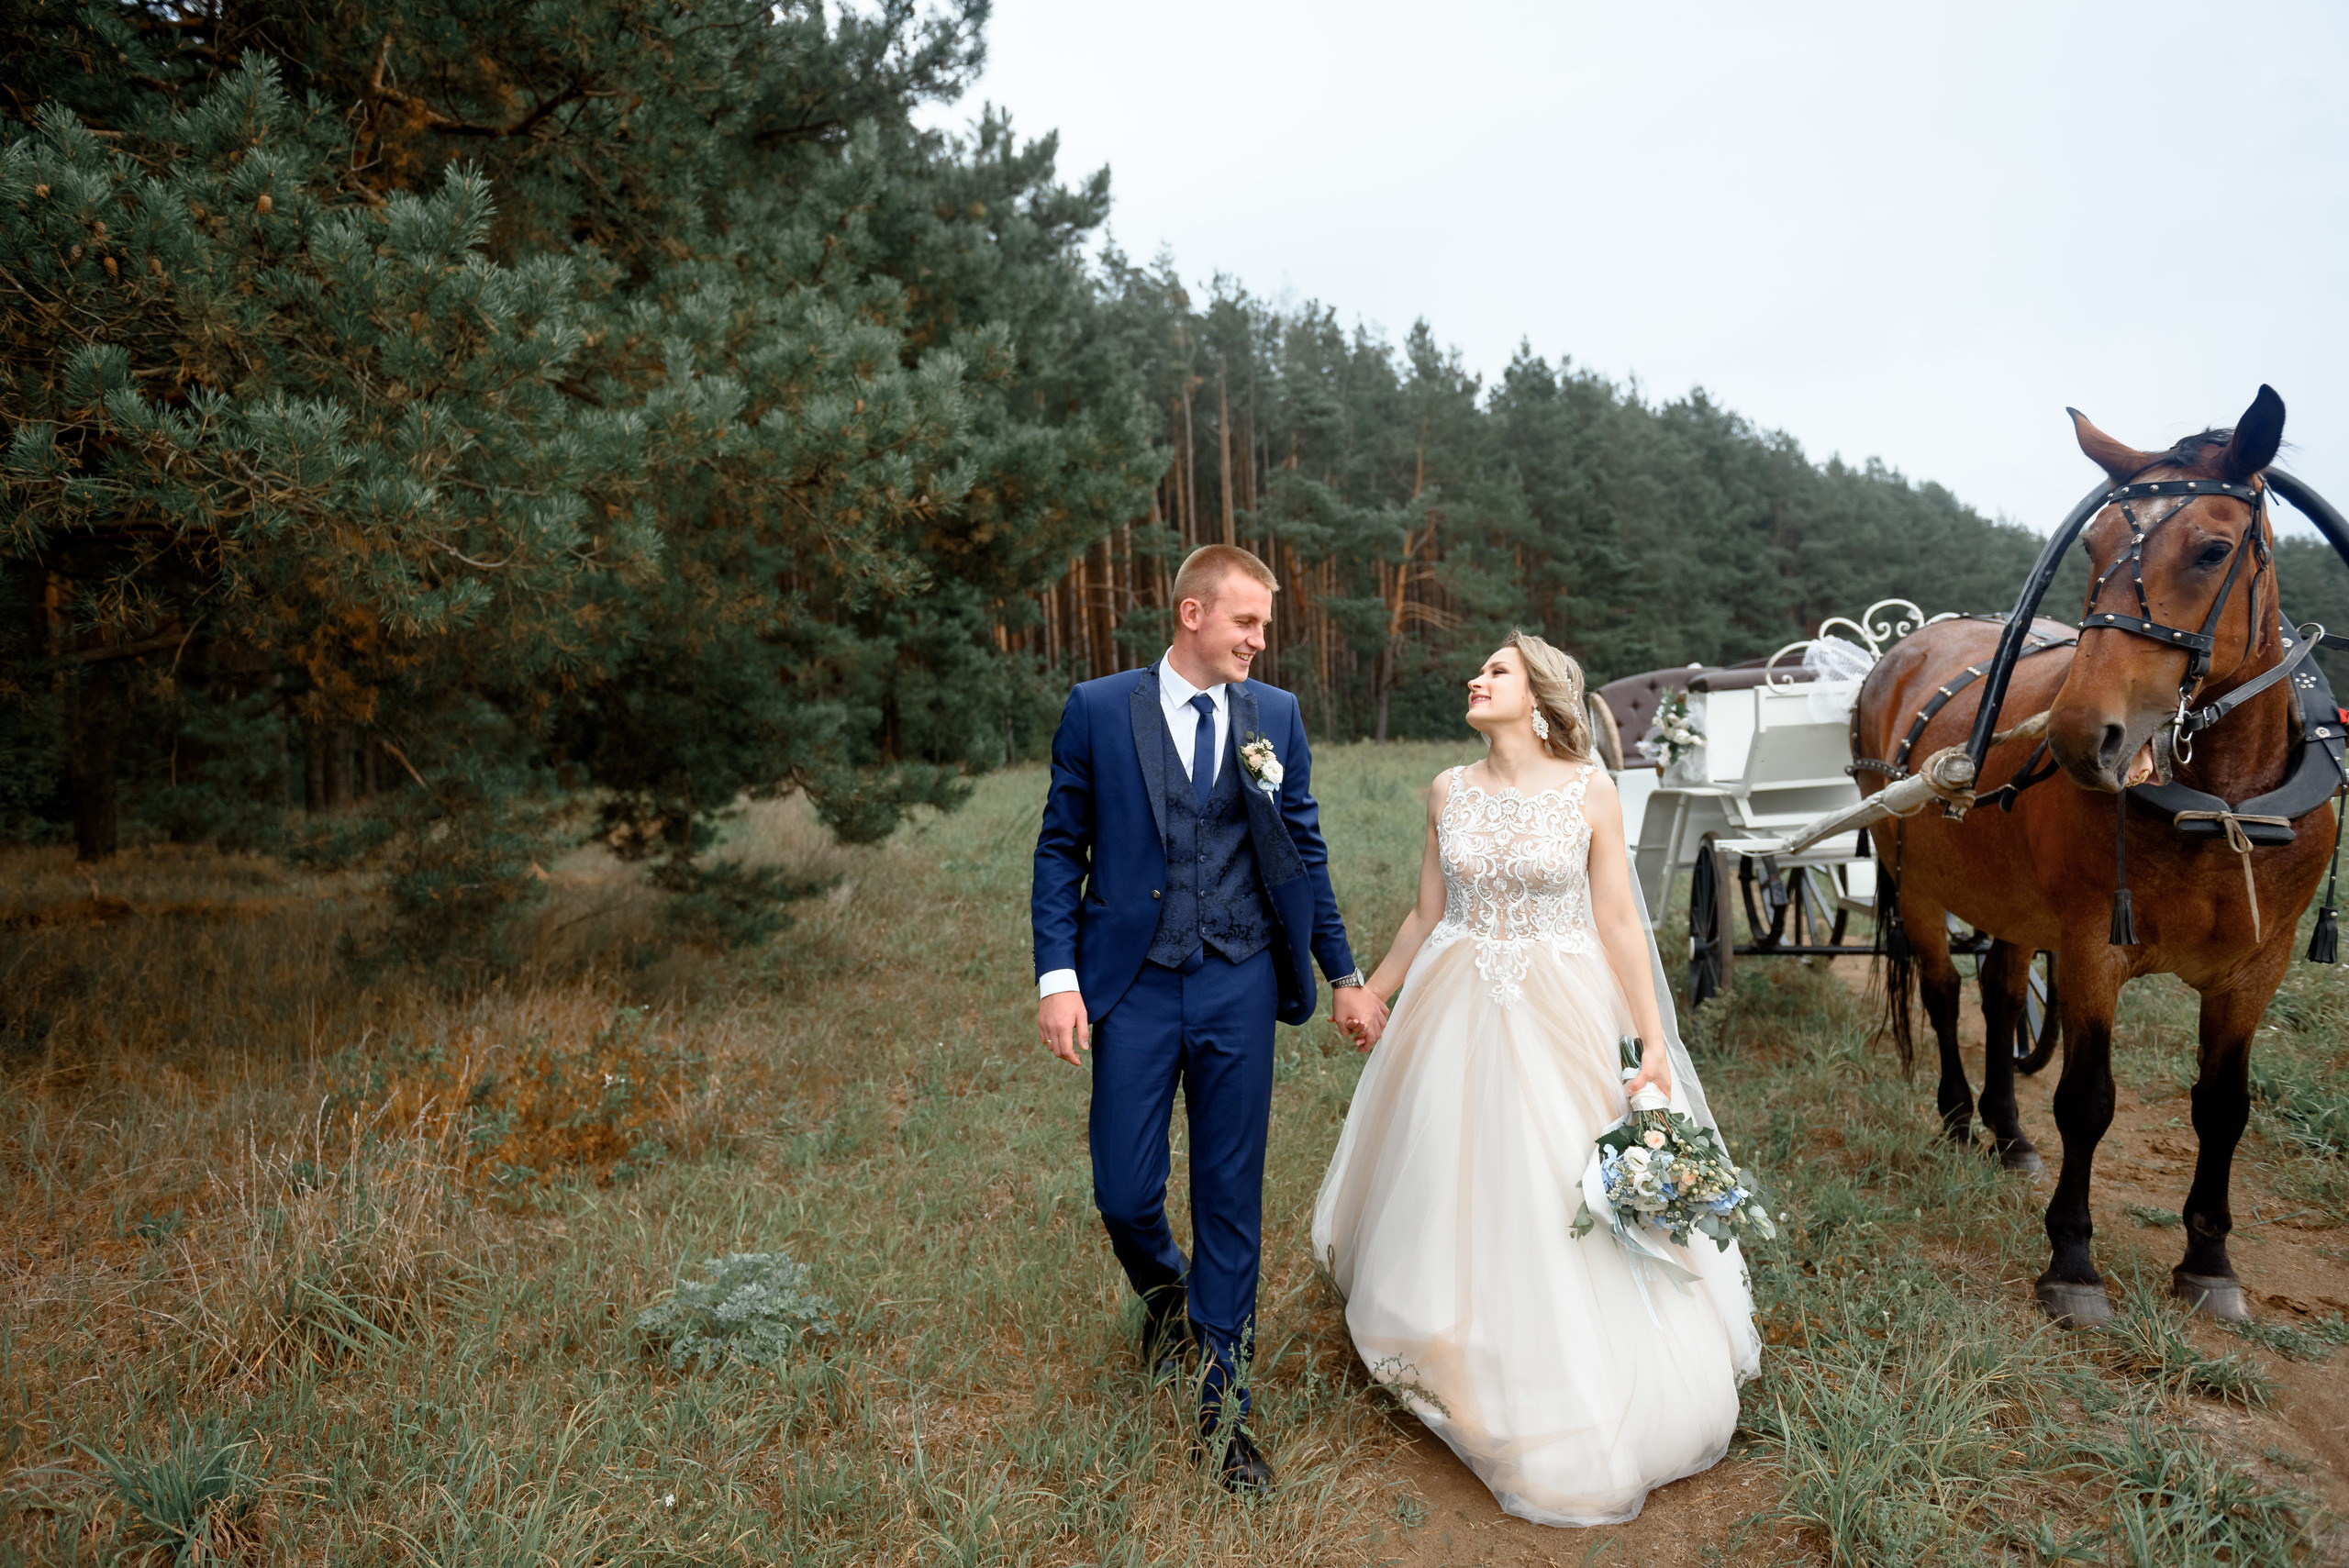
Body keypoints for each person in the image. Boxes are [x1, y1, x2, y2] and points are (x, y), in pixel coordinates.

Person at [1310, 630, 1760, 1526]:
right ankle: (1450, 1338)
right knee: (1453, 1167)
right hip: (1458, 1004)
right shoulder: (1447, 789)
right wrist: (1369, 989)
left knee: (1561, 1173)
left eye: (1496, 671)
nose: (1476, 679)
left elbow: (1619, 922)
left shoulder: (1589, 791)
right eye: (1478, 670)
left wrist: (1647, 1040)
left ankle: (1569, 1363)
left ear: (1542, 694)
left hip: (1563, 1002)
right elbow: (1427, 912)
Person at [1031, 544, 1386, 1496]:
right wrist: (1056, 976)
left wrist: (1342, 971)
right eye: (1245, 623)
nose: (1258, 642)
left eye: (1262, 626)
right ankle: (1165, 1298)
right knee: (1122, 1189)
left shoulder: (1274, 717)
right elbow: (1061, 845)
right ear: (1192, 614)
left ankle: (1221, 1410)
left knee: (1229, 1194)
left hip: (1236, 979)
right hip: (1136, 984)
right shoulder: (1099, 708)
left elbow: (1301, 846)